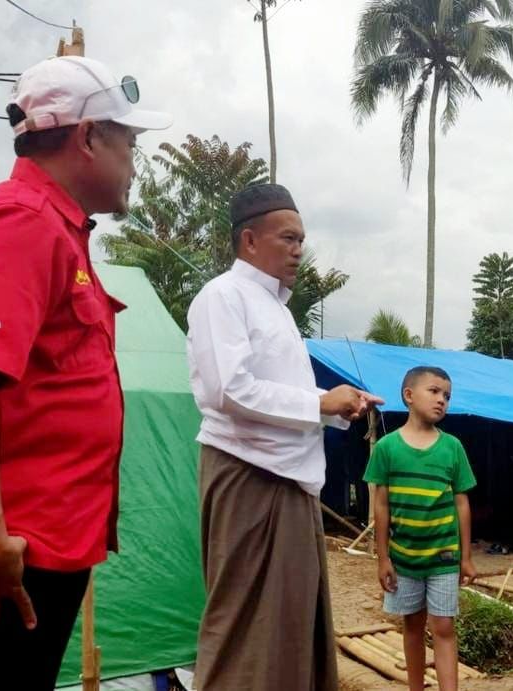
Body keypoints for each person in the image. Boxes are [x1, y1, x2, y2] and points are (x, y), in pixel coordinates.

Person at [0, 56, 171, 689]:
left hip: (39, 544)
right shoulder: (21, 225)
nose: (136, 159)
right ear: (87, 137)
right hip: (12, 556)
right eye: (129, 140)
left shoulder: (56, 230)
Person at [186, 182, 383, 690]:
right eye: (288, 239)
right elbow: (231, 390)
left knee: (291, 628)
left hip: (291, 483)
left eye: (302, 240)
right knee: (246, 630)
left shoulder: (276, 308)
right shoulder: (223, 296)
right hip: (250, 478)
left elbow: (284, 395)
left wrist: (344, 406)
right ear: (249, 240)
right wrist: (320, 402)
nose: (299, 250)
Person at [363, 366, 477, 691]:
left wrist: (465, 557)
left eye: (447, 396)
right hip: (403, 558)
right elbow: (381, 506)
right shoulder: (387, 448)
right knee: (412, 626)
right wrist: (382, 558)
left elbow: (462, 504)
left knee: (443, 626)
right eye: (435, 391)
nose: (442, 400)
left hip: (443, 556)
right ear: (409, 396)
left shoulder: (452, 447)